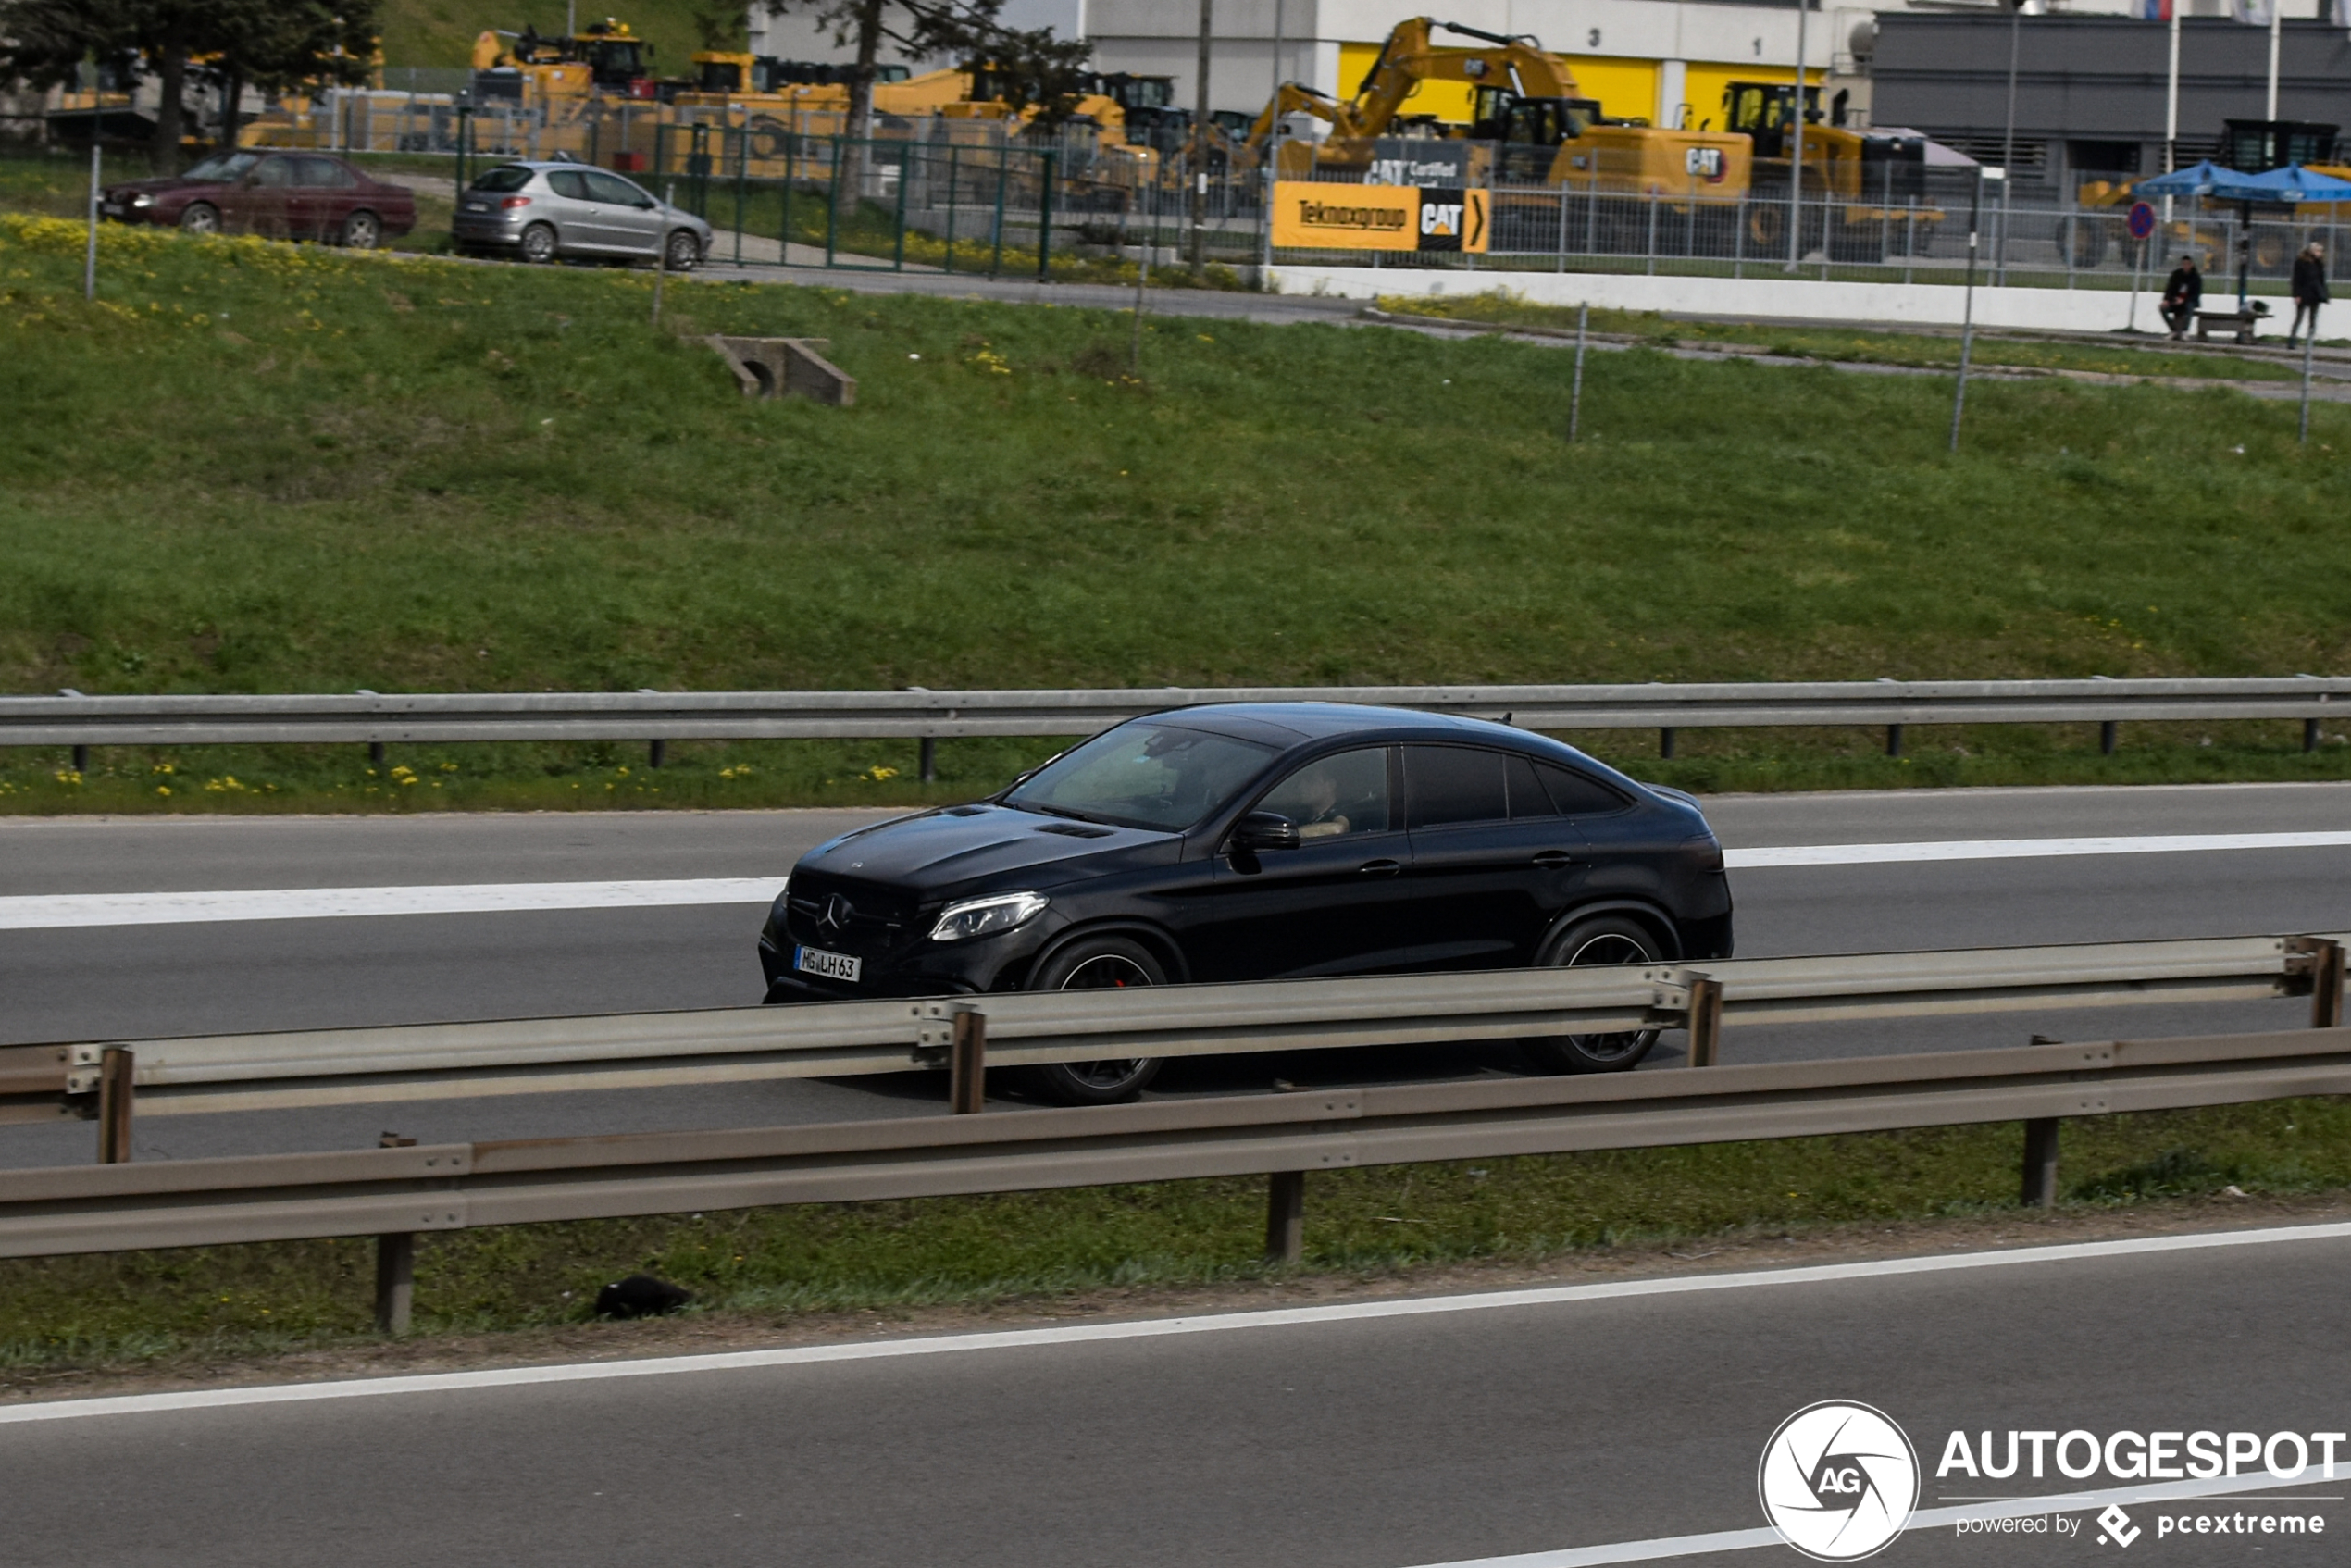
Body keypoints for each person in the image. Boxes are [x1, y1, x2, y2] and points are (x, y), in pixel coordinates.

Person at [2289, 241, 2330, 348]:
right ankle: (2292, 339)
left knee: (2313, 318)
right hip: (2304, 293)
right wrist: (2296, 294)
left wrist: (2324, 294)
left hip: (2315, 294)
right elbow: (2296, 279)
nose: (2320, 253)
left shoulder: (2319, 264)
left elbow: (2321, 280)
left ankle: (2310, 340)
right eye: (2318, 251)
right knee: (2299, 317)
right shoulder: (2301, 263)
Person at [2160, 253, 2203, 340]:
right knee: (2163, 308)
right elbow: (2170, 288)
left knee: (2189, 308)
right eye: (2184, 264)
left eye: (2188, 264)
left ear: (2191, 265)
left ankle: (2184, 331)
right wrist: (2167, 299)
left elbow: (2195, 294)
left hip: (2189, 300)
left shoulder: (2195, 277)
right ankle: (2174, 330)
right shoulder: (2176, 274)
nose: (2185, 266)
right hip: (2175, 299)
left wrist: (2184, 299)